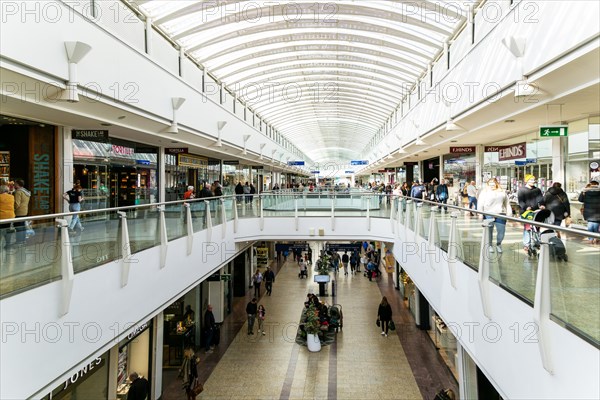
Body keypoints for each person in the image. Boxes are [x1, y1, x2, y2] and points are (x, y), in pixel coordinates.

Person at [478, 178, 509, 253]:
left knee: (501, 231)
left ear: (496, 183)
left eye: (493, 183)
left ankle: (498, 244)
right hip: (488, 213)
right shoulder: (484, 192)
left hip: (501, 214)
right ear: (488, 184)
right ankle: (490, 245)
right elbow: (480, 203)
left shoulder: (502, 192)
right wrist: (480, 214)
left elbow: (507, 204)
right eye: (490, 183)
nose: (492, 185)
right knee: (489, 231)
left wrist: (509, 214)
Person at [518, 175, 545, 253]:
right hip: (526, 212)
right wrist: (526, 207)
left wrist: (542, 205)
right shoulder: (522, 190)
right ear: (526, 181)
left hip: (536, 211)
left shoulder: (537, 190)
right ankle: (527, 244)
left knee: (537, 228)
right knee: (528, 228)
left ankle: (537, 242)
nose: (533, 181)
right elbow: (521, 201)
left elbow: (541, 199)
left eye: (533, 180)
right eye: (531, 180)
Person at [12, 179, 30, 245]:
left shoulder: (18, 192)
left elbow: (17, 203)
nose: (14, 185)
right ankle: (23, 241)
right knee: (23, 227)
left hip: (19, 212)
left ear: (18, 184)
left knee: (18, 227)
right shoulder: (26, 191)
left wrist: (12, 209)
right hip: (24, 211)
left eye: (15, 184)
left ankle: (18, 241)